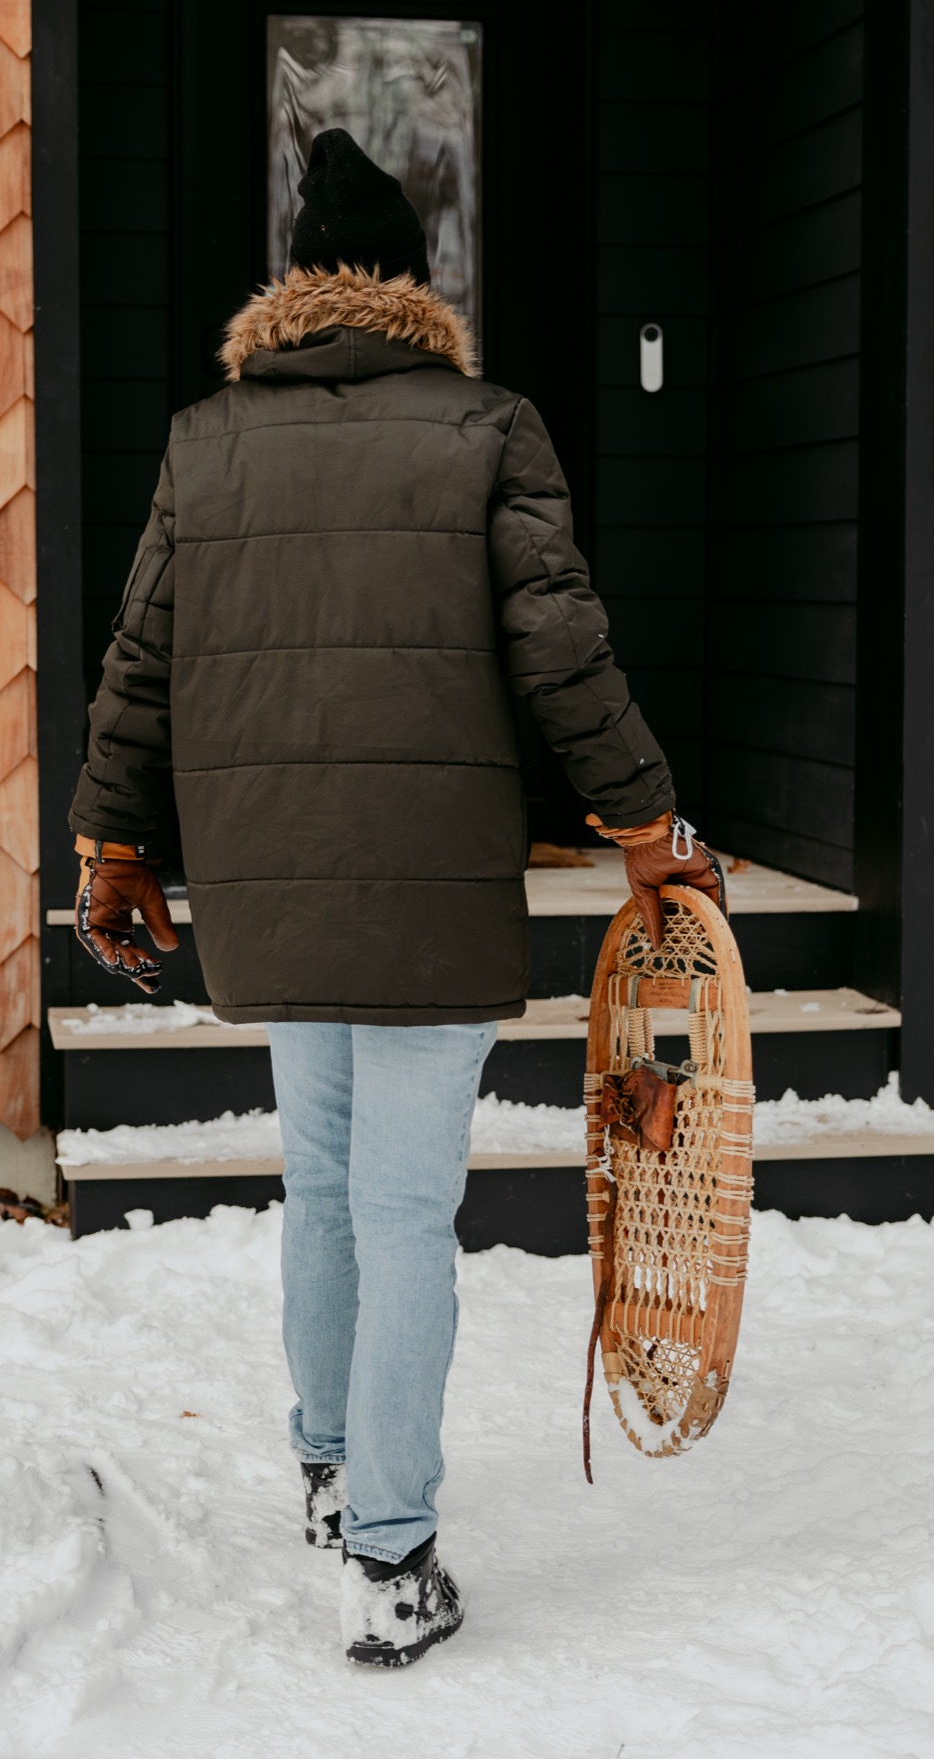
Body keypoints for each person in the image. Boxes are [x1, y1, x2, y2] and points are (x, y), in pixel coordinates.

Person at [68, 128, 722, 1669]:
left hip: (268, 870)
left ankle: (325, 1463)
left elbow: (139, 661)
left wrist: (110, 845)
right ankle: (391, 1551)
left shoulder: (206, 436)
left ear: (291, 289)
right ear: (414, 289)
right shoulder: (487, 426)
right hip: (426, 876)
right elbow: (561, 647)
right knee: (406, 1207)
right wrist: (643, 822)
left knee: (328, 1183)